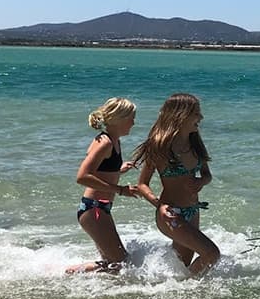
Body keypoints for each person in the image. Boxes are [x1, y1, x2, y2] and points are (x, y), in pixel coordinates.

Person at [133, 93, 220, 277]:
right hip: (170, 213)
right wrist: (159, 205)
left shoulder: (195, 142)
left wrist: (201, 181)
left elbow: (207, 174)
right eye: (196, 113)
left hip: (192, 211)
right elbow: (142, 184)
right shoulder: (160, 146)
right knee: (211, 253)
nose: (201, 118)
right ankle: (189, 291)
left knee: (182, 268)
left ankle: (173, 292)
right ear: (181, 115)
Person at [66, 97, 138, 274]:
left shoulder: (115, 142)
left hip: (100, 209)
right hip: (94, 210)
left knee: (112, 263)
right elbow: (82, 176)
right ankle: (69, 273)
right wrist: (121, 190)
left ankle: (77, 277)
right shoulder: (104, 142)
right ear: (119, 119)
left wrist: (118, 170)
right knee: (121, 263)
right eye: (131, 118)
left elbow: (101, 171)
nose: (134, 123)